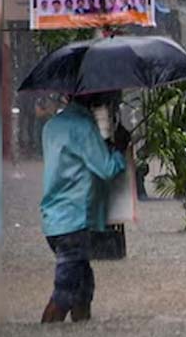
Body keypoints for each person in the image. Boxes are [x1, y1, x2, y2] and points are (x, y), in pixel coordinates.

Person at [39, 92, 130, 323]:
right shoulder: (83, 127)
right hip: (75, 222)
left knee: (83, 290)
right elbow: (107, 169)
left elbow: (75, 162)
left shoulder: (52, 126)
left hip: (54, 222)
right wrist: (119, 148)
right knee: (65, 293)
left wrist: (104, 146)